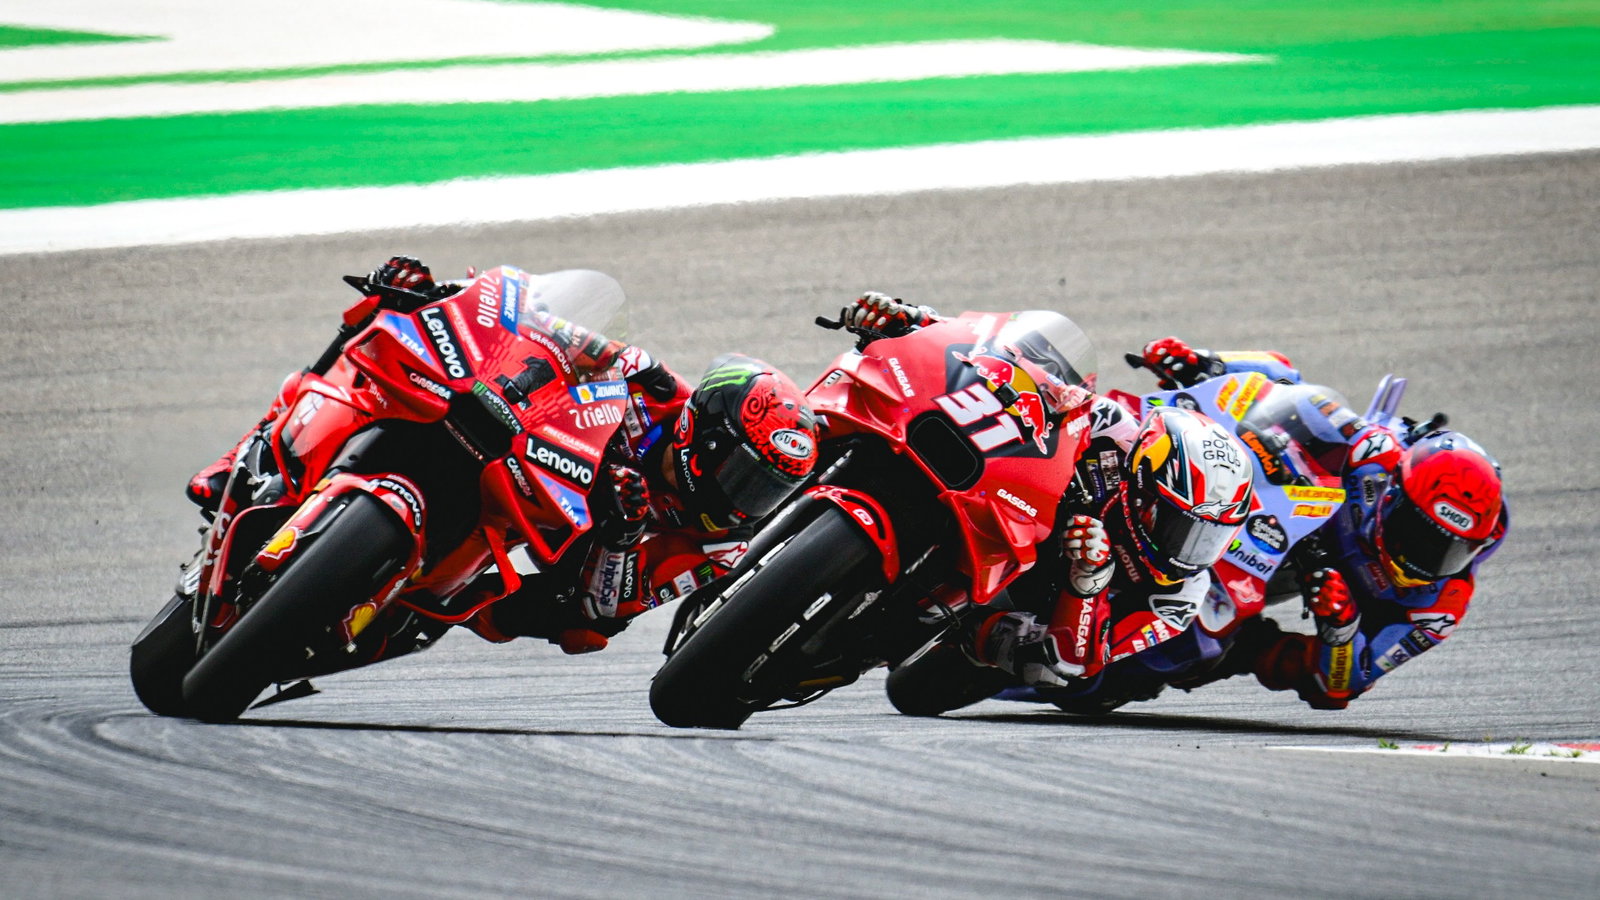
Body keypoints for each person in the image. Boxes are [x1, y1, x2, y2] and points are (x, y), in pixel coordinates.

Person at [187, 256, 821, 657]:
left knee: (575, 630)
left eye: (766, 491)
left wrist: (623, 536)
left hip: (543, 550)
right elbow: (544, 322)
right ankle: (241, 458)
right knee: (379, 326)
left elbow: (604, 612)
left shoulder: (719, 549)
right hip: (518, 446)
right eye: (743, 476)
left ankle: (410, 592)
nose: (745, 502)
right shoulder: (653, 385)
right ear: (704, 435)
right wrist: (445, 294)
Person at [833, 294, 1256, 714]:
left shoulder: (1180, 598)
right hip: (997, 511)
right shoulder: (1110, 430)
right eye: (1182, 528)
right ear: (1144, 486)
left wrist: (1089, 579)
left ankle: (963, 630)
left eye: (1209, 537)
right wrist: (917, 322)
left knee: (1050, 673)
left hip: (1029, 610)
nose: (1189, 551)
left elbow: (1076, 661)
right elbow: (1015, 369)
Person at [1135, 336, 1508, 709]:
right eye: (1419, 536)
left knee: (1245, 655)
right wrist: (1208, 364)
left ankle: (1223, 650)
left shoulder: (1438, 608)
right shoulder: (1375, 455)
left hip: (1317, 583)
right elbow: (1287, 381)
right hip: (1283, 511)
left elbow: (1346, 683)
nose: (1425, 559)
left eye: (1451, 550)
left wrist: (1341, 628)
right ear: (1394, 498)